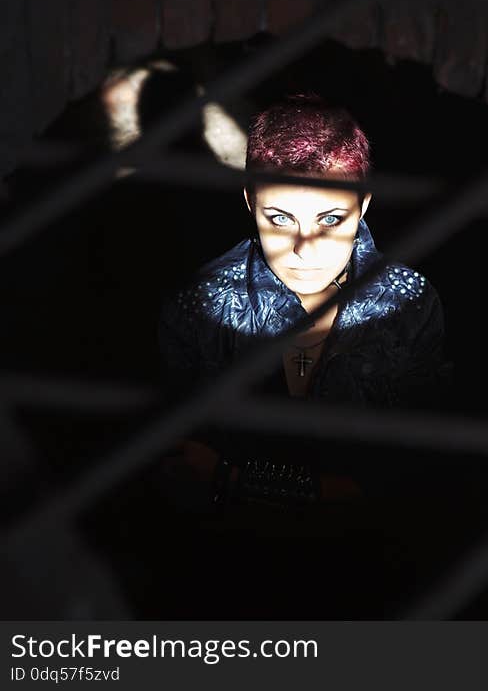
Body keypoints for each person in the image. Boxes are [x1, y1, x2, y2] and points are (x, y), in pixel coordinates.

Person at [156, 93, 452, 510]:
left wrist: (236, 478)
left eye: (330, 220)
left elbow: (414, 478)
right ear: (250, 201)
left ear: (363, 203)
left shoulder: (411, 305)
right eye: (279, 218)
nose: (303, 250)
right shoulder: (199, 305)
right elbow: (181, 472)